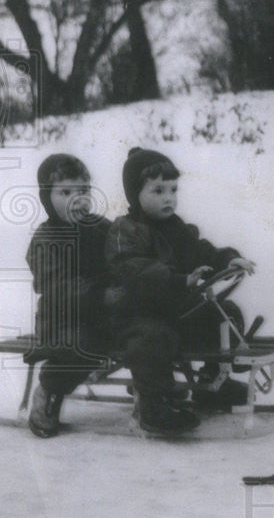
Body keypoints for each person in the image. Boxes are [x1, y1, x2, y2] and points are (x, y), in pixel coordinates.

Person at [105, 147, 255, 435]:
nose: (168, 198)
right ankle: (153, 406)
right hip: (137, 314)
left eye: (173, 190)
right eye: (158, 191)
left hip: (177, 311)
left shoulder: (176, 227)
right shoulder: (127, 231)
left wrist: (226, 259)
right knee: (152, 339)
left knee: (225, 316)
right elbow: (132, 270)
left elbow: (201, 250)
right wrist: (177, 280)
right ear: (135, 193)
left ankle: (212, 382)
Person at [26, 154, 114, 438]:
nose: (77, 199)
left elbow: (126, 254)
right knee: (84, 343)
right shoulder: (46, 239)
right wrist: (101, 292)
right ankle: (50, 389)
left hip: (103, 313)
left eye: (84, 191)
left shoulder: (101, 228)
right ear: (46, 197)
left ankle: (158, 393)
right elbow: (57, 288)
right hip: (61, 320)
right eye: (65, 192)